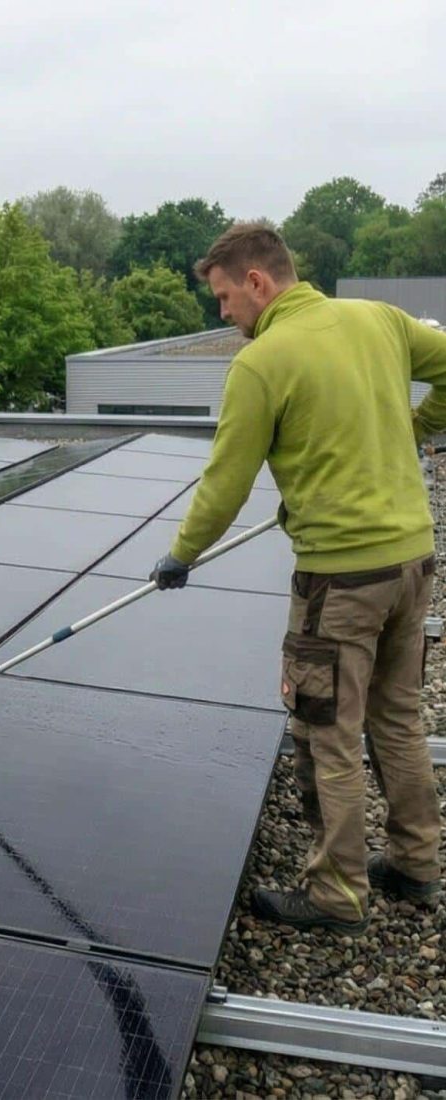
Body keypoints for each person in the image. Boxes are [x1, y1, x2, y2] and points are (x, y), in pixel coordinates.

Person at [150, 223, 446, 935]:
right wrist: (412, 429)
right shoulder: (376, 319)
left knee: (328, 733)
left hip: (340, 583)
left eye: (224, 298)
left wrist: (181, 554)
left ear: (257, 282)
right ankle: (417, 866)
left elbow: (224, 485)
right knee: (398, 719)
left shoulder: (261, 363)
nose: (223, 315)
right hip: (414, 563)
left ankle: (337, 896)